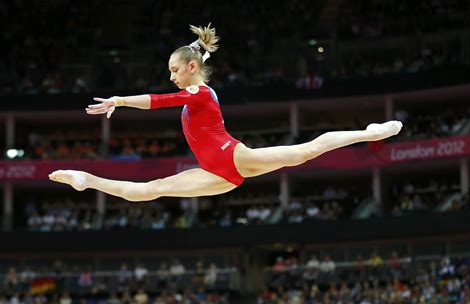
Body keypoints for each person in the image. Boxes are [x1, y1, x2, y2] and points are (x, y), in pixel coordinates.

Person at [49, 24, 403, 200]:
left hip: (232, 158)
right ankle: (86, 180)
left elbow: (158, 101)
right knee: (149, 190)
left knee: (306, 152)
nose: (170, 76)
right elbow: (171, 93)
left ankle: (368, 133)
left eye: (174, 69)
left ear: (190, 68)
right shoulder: (195, 87)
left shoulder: (198, 92)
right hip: (216, 174)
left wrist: (119, 100)